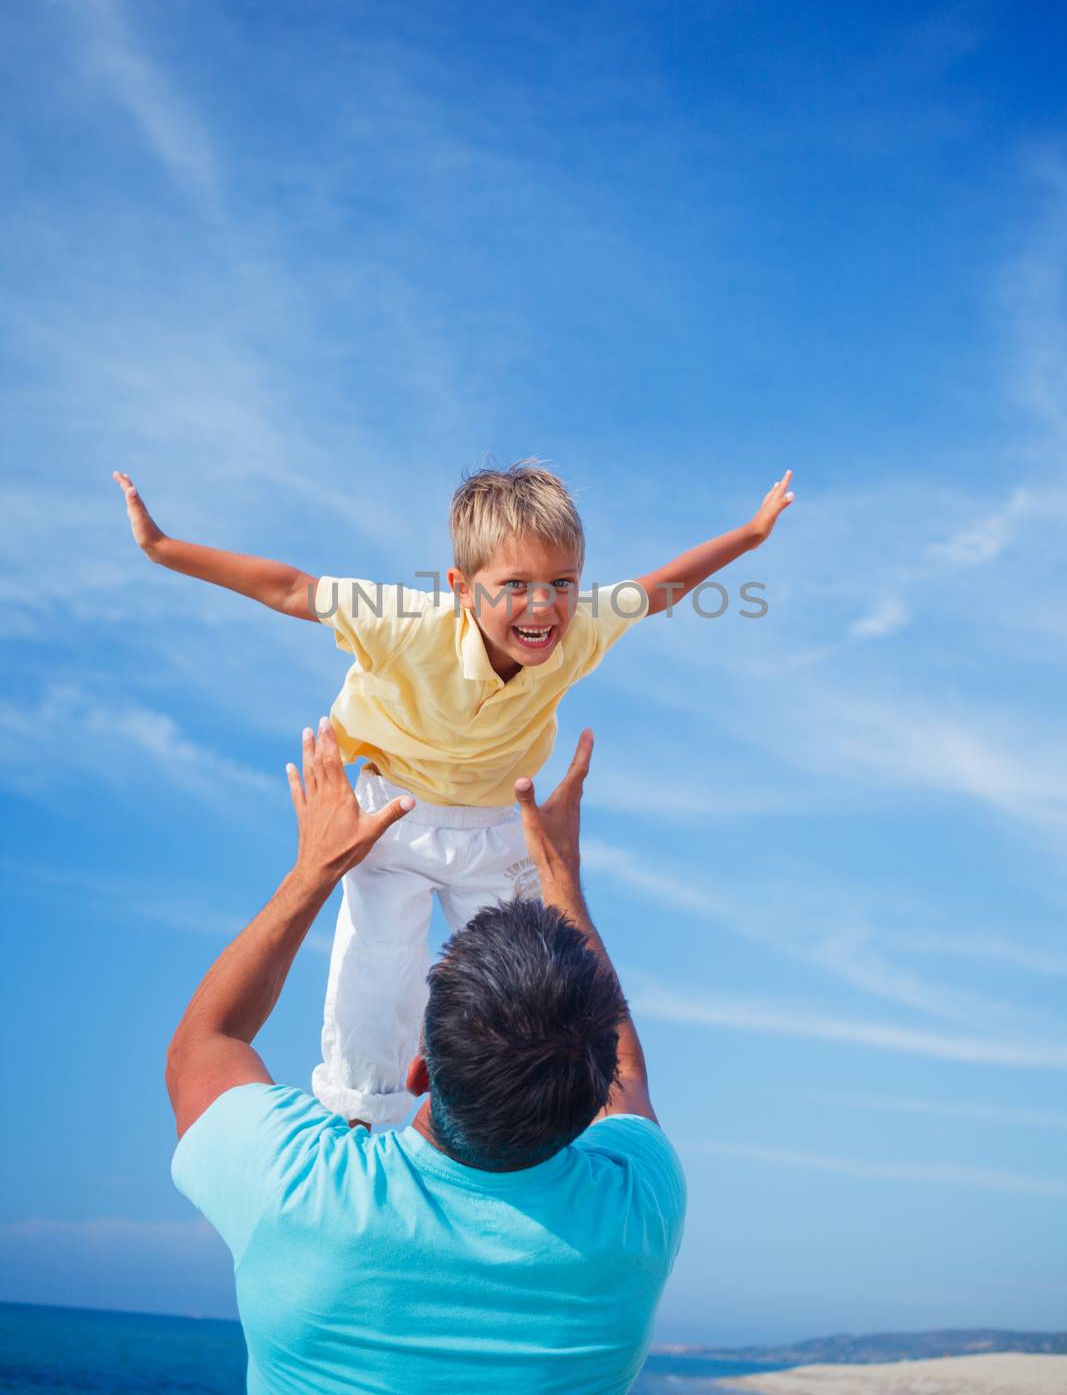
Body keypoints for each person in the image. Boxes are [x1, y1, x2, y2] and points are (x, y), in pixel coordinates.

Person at [117, 460, 794, 1126]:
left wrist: (750, 534)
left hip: (498, 829)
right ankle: (364, 1119)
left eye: (562, 582)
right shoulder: (402, 623)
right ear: (462, 588)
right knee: (376, 972)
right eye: (514, 585)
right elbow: (292, 588)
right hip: (394, 818)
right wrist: (163, 548)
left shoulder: (581, 628)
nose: (541, 606)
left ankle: (530, 1132)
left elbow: (660, 587)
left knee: (530, 990)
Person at [168, 719, 687, 1395]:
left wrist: (314, 869)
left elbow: (204, 1045)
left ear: (417, 1071)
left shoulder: (301, 1197)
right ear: (594, 1097)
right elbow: (629, 1073)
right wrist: (559, 877)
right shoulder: (636, 1213)